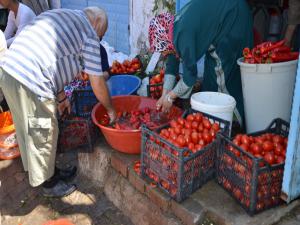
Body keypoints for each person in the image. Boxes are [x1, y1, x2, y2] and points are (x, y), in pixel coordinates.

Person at [0, 7, 117, 197]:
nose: (99, 40)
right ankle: (49, 184)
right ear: (96, 23)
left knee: (28, 127)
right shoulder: (88, 33)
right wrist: (110, 109)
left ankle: (48, 171)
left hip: (9, 70)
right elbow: (97, 81)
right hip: (30, 78)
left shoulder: (64, 15)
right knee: (44, 130)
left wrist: (61, 98)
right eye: (101, 35)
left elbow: (53, 59)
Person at [149, 0, 253, 126]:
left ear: (164, 39)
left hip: (233, 18)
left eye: (162, 50)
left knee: (225, 78)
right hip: (226, 15)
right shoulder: (172, 29)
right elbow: (172, 62)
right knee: (210, 78)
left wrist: (170, 97)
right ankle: (212, 122)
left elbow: (189, 78)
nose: (163, 54)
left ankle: (235, 125)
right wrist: (164, 95)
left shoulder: (183, 33)